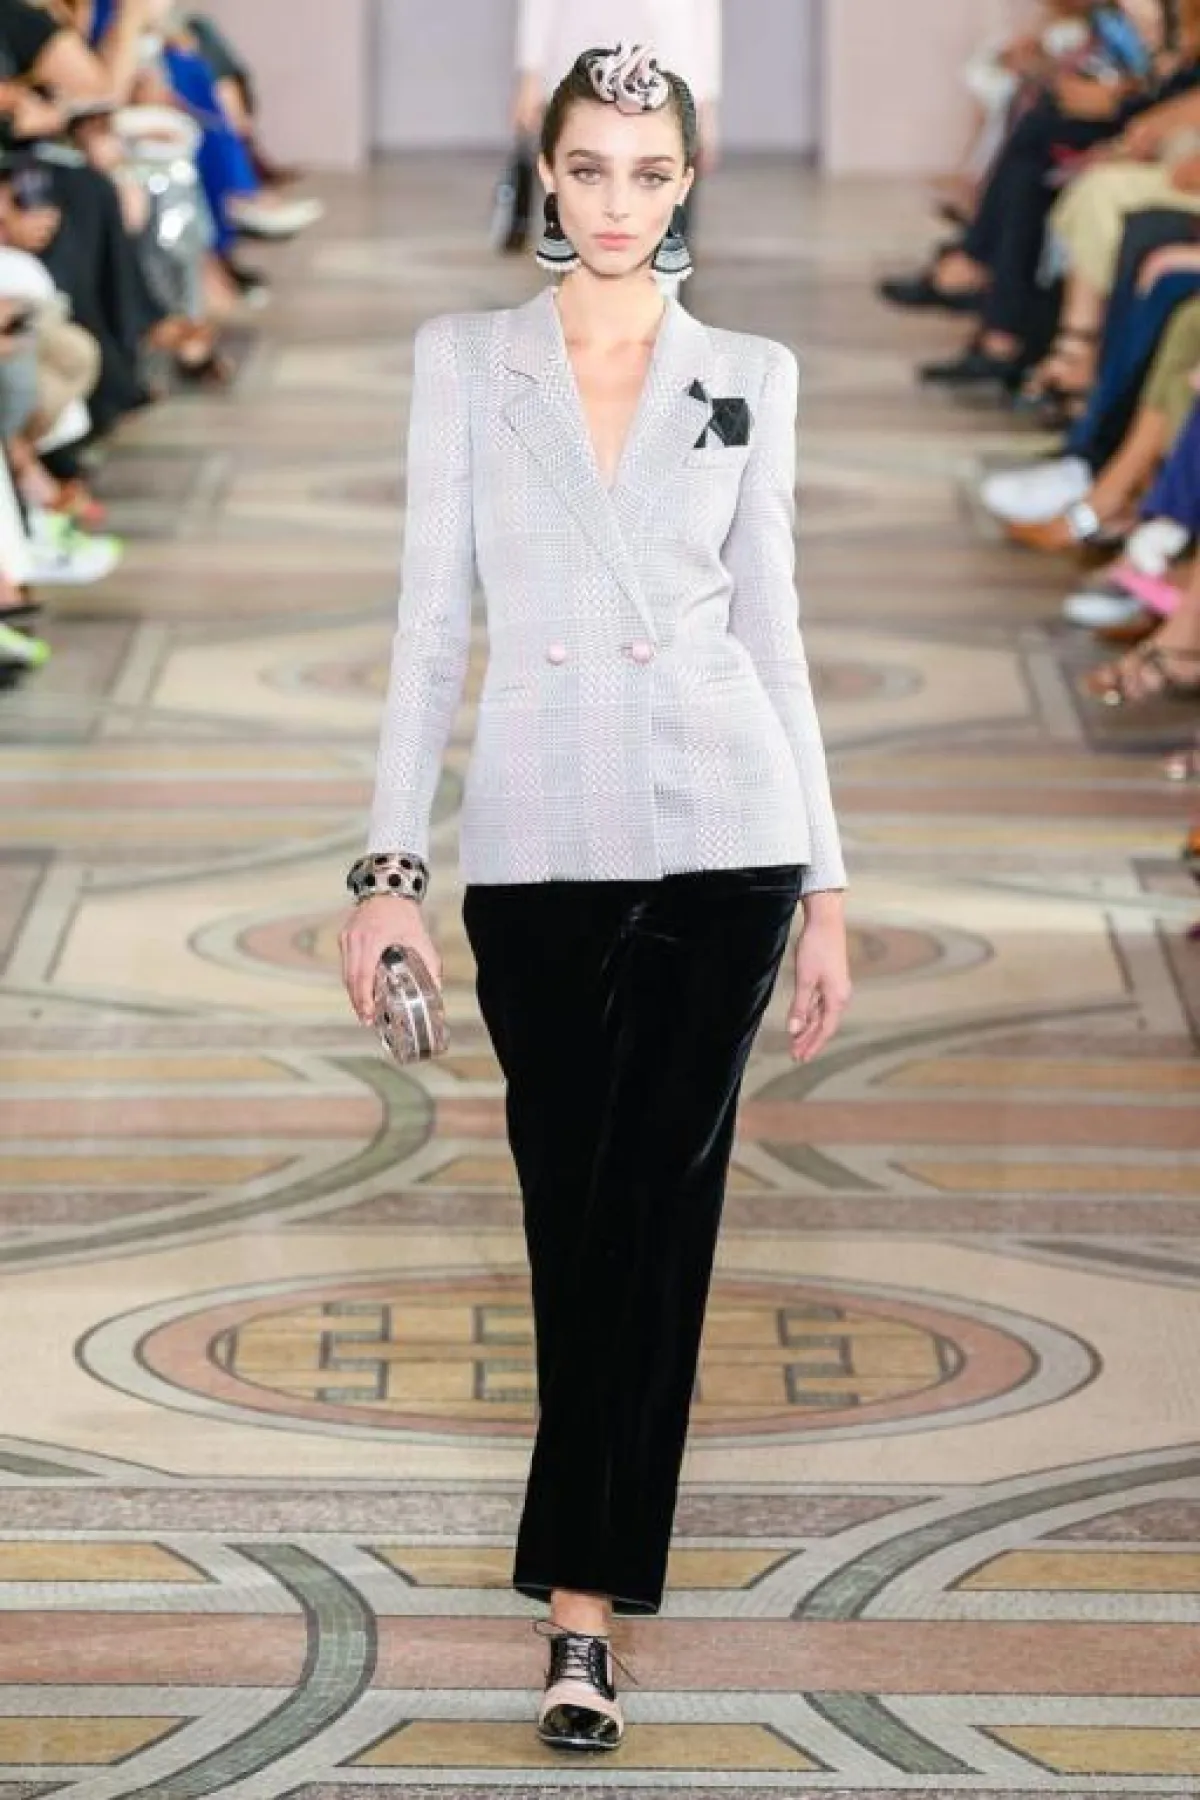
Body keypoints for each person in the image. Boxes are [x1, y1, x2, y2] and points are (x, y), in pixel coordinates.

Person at [339, 40, 849, 1757]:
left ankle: (582, 1613)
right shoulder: (466, 361)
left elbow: (775, 633)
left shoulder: (751, 372)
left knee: (661, 1211)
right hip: (542, 837)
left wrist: (827, 889)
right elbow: (430, 624)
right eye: (588, 168)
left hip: (725, 833)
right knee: (571, 1207)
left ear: (688, 182)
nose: (617, 200)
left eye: (648, 171)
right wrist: (389, 872)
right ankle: (590, 1578)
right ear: (546, 176)